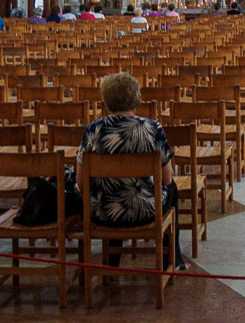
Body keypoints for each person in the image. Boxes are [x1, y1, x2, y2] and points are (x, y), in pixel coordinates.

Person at [77, 71, 185, 269]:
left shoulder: (93, 130)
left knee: (111, 190)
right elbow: (167, 179)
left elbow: (81, 183)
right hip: (146, 211)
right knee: (173, 189)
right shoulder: (152, 128)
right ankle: (172, 260)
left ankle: (112, 263)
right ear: (136, 97)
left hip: (104, 213)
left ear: (107, 99)